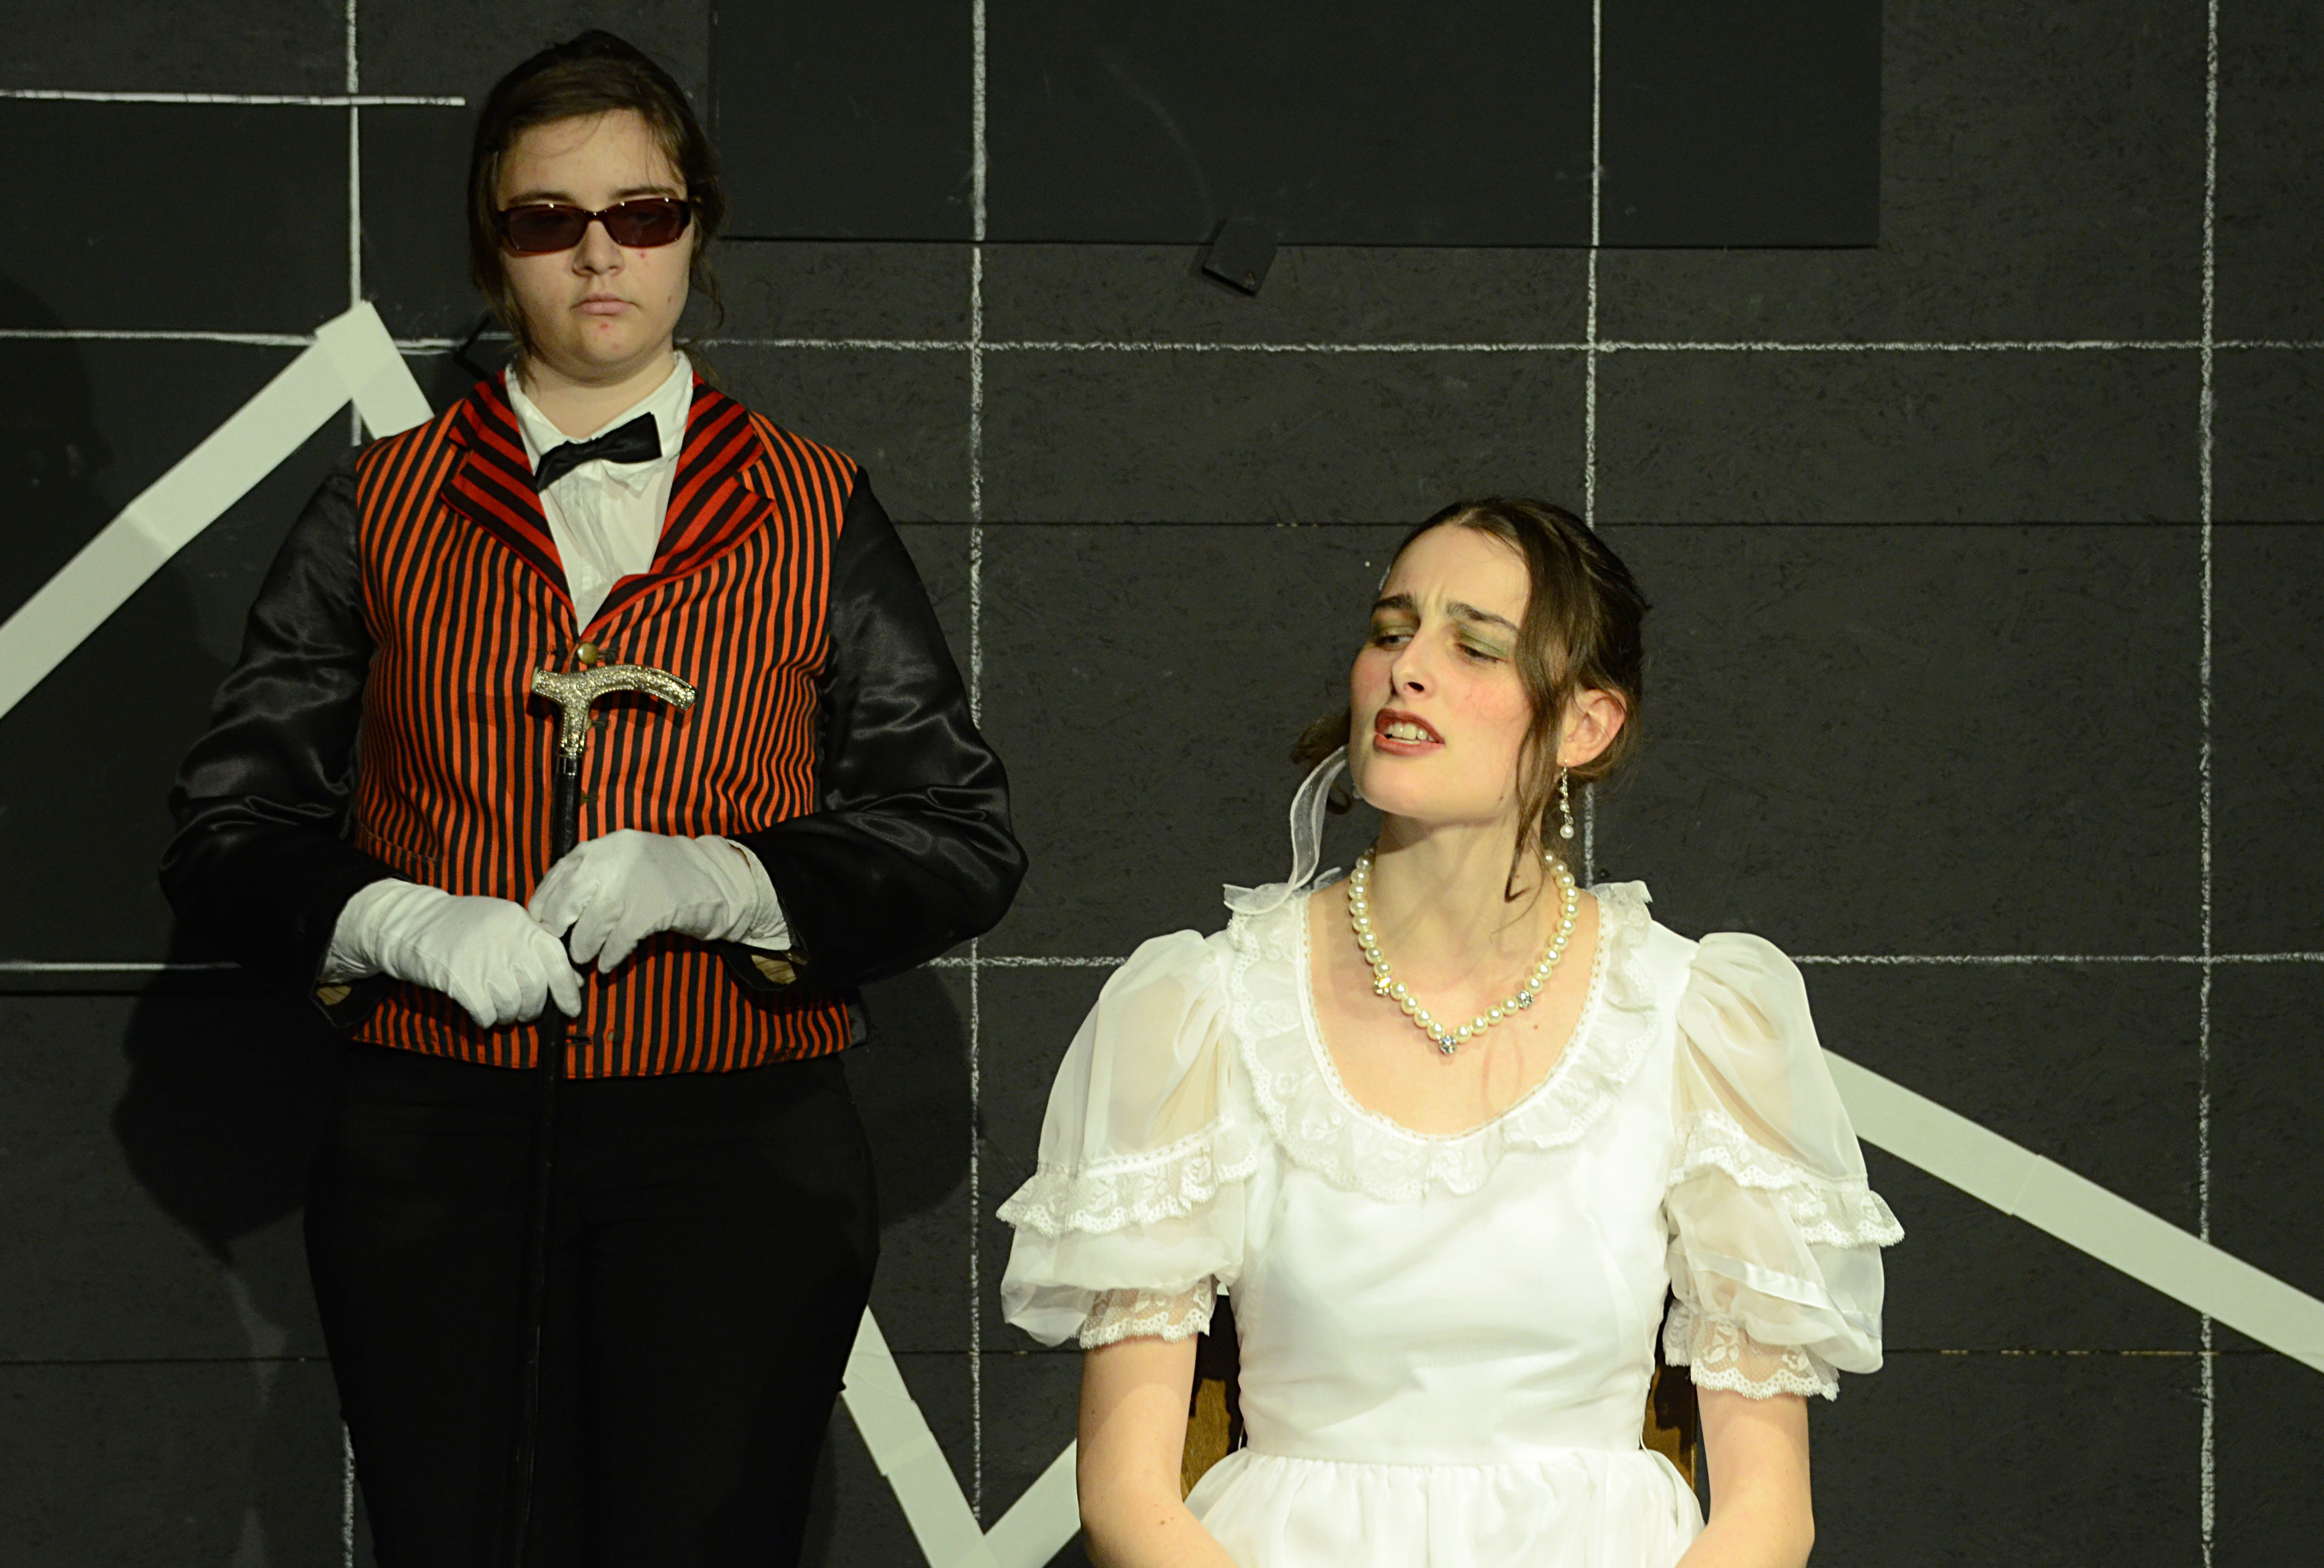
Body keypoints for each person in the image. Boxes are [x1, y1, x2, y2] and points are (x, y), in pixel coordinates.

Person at [160, 31, 1023, 1568]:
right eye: (547, 220)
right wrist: (395, 920)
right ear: (493, 251)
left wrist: (727, 881)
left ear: (699, 227)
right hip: (433, 1142)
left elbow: (955, 831)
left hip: (740, 1144)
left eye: (643, 211)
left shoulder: (813, 503)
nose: (601, 253)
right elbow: (227, 830)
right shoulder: (380, 502)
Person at [999, 498, 1898, 1567]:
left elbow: (1767, 1515)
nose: (1407, 670)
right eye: (1391, 631)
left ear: (1587, 726)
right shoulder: (1200, 1008)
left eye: (1474, 646)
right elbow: (1126, 1496)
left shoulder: (1698, 1018)